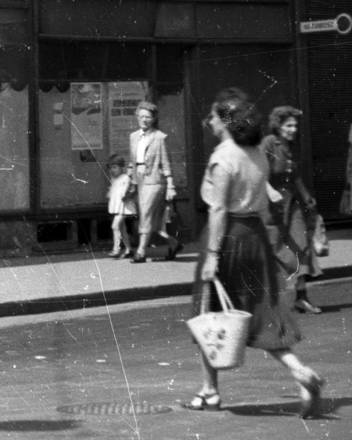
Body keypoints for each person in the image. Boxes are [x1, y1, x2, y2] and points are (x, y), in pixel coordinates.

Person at [184, 89, 323, 418]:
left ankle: (210, 391)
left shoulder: (223, 158)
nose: (212, 123)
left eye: (216, 118)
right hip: (255, 237)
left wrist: (214, 255)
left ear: (227, 122)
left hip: (227, 237)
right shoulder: (258, 155)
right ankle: (300, 372)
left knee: (210, 313)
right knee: (262, 312)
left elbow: (218, 209)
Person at [263, 106, 323, 314]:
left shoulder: (292, 146)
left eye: (295, 125)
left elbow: (295, 176)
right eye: (289, 125)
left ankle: (302, 297)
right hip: (271, 206)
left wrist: (307, 198)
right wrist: (269, 191)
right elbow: (257, 171)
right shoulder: (270, 143)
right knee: (276, 250)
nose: (293, 129)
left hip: (292, 204)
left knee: (301, 245)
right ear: (278, 126)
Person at [129, 102, 177, 262]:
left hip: (156, 180)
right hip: (140, 180)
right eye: (141, 116)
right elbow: (132, 160)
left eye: (148, 117)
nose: (144, 120)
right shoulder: (133, 137)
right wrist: (130, 179)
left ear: (154, 118)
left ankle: (141, 251)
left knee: (146, 212)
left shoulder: (160, 138)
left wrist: (170, 185)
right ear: (137, 117)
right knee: (154, 221)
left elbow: (166, 163)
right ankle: (174, 244)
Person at [105, 156, 136, 259]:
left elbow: (126, 191)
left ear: (122, 167)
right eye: (111, 168)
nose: (112, 170)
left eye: (115, 167)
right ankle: (129, 249)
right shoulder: (114, 179)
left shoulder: (126, 178)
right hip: (118, 207)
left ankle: (116, 249)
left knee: (115, 226)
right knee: (122, 229)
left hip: (123, 207)